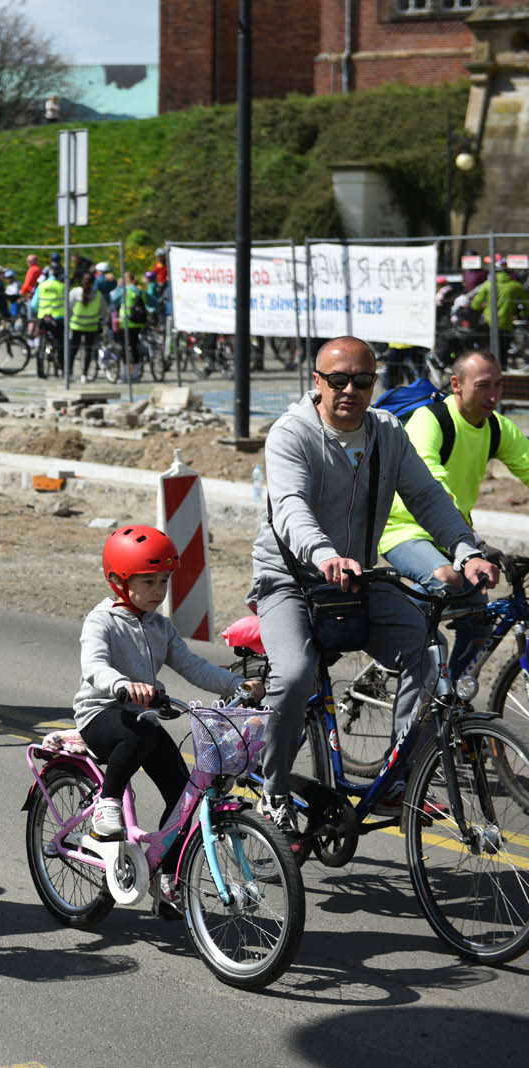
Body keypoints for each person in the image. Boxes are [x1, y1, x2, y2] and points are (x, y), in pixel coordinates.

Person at [251, 336, 498, 841]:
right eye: (337, 380)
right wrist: (324, 555)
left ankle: (397, 777)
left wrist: (465, 550)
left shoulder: (386, 431)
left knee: (427, 652)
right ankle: (273, 791)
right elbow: (291, 507)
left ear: (374, 382)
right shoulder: (291, 434)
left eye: (362, 380)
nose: (349, 389)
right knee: (295, 675)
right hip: (291, 578)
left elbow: (427, 497)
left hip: (356, 576)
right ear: (316, 382)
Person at [77, 525, 259, 912]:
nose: (159, 591)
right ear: (117, 581)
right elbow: (93, 666)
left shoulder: (160, 626)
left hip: (141, 722)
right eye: (149, 582)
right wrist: (123, 684)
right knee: (140, 727)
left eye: (164, 581)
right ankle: (107, 803)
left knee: (185, 797)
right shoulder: (101, 621)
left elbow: (192, 665)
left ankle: (166, 877)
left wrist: (237, 684)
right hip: (101, 716)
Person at [380, 351, 529, 680]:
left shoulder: (496, 427)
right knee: (447, 579)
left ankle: (454, 708)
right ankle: (392, 639)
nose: (494, 395)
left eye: (499, 386)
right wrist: (474, 543)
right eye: (483, 386)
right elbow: (433, 486)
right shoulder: (430, 420)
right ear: (456, 385)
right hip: (405, 529)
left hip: (455, 535)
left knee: (481, 616)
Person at [468, 265, 529, 329]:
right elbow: (526, 304)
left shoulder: (488, 285)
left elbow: (476, 305)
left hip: (489, 323)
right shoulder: (516, 286)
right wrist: (522, 314)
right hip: (507, 323)